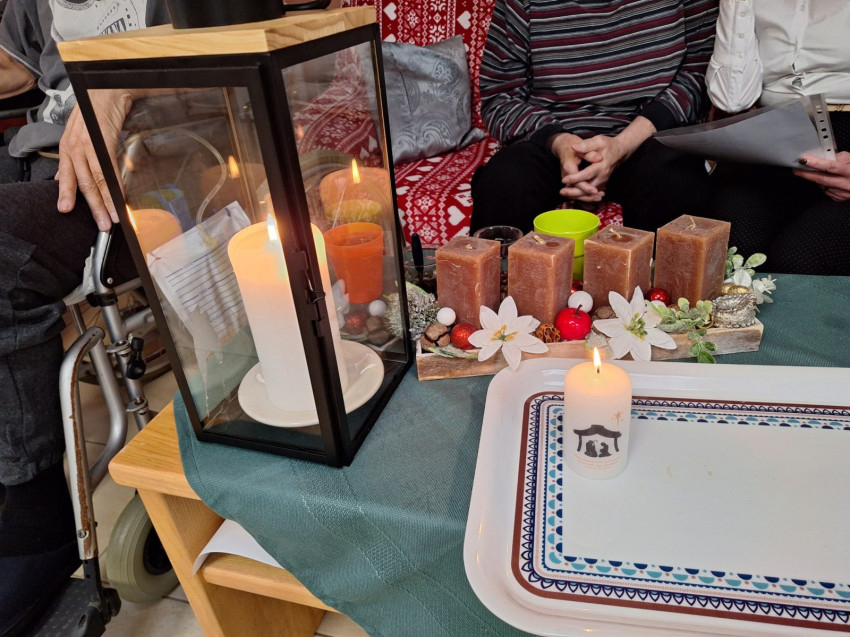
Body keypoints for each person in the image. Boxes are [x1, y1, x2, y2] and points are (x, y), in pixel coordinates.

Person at [0, 0, 168, 633]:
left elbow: (233, 39)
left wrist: (116, 82)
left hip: (150, 167)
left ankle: (39, 512)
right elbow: (16, 68)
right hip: (38, 155)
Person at [470, 0, 719, 235]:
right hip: (551, 140)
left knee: (674, 180)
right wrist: (559, 142)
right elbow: (500, 96)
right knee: (505, 180)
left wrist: (622, 145)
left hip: (647, 136)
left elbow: (700, 74)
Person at [705, 0, 850, 274]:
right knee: (735, 244)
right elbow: (732, 99)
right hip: (772, 139)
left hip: (845, 140)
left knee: (800, 260)